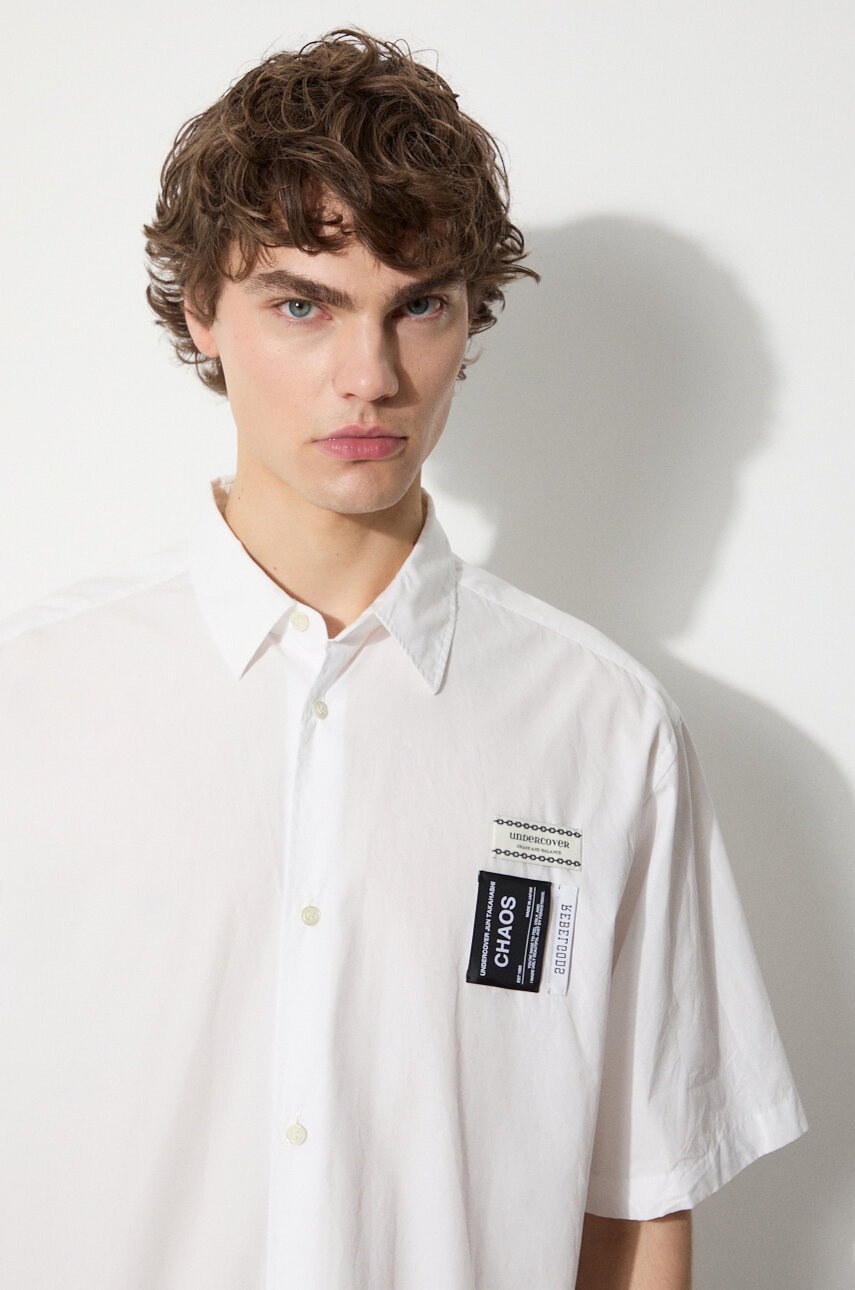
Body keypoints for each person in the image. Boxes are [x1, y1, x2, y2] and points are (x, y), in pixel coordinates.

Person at [0, 29, 805, 1290]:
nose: (369, 378)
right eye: (303, 304)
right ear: (203, 312)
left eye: (417, 304)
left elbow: (641, 1205)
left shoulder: (605, 730)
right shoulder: (33, 699)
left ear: (468, 315)